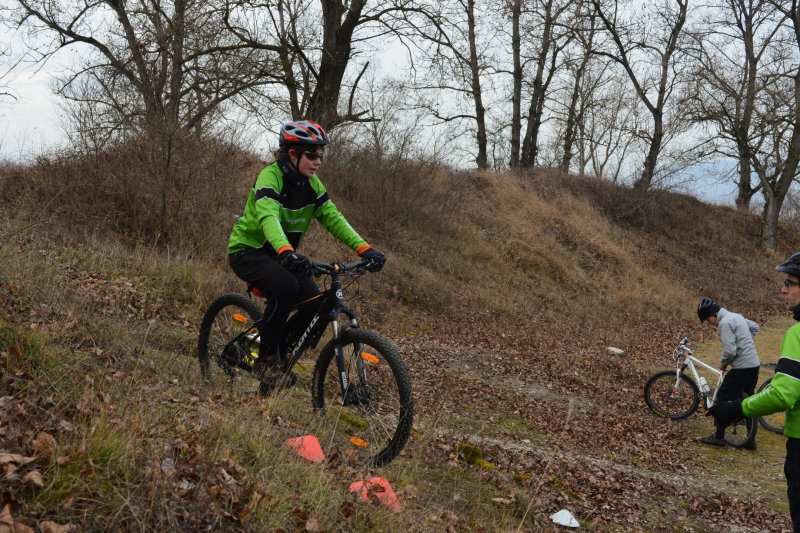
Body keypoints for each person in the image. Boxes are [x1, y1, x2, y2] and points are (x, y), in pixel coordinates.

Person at [227, 120, 385, 389]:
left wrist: (365, 249)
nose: (318, 161)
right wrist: (287, 251)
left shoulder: (312, 185)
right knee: (287, 286)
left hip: (280, 255)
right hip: (248, 251)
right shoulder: (270, 176)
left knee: (314, 303)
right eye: (312, 155)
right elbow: (268, 217)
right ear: (292, 154)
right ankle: (267, 361)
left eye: (321, 155)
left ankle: (280, 349)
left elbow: (333, 218)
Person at [709, 252, 800, 531]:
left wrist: (736, 409)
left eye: (790, 282)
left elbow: (782, 394)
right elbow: (755, 327)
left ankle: (726, 434)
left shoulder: (797, 334)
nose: (783, 289)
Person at [696, 296, 761, 449]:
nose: (709, 323)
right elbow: (755, 327)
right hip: (754, 364)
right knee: (749, 400)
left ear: (713, 314)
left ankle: (718, 438)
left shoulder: (724, 323)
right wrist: (746, 343)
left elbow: (730, 350)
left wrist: (723, 364)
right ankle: (750, 441)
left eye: (707, 319)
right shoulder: (736, 316)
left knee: (721, 400)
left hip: (742, 367)